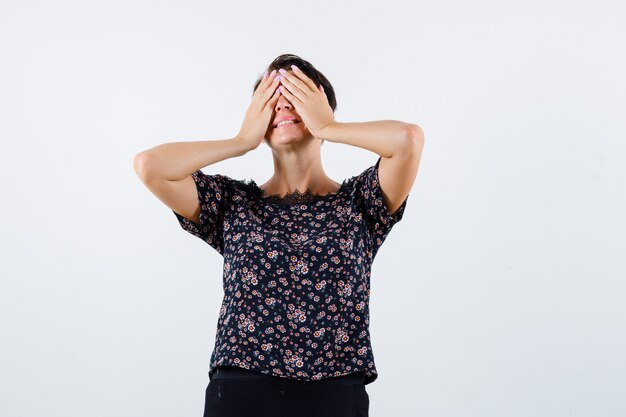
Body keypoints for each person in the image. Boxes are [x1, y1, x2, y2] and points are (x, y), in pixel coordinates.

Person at [133, 54, 425, 417]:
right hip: (241, 388)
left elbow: (408, 140)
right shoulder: (232, 203)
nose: (284, 104)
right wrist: (241, 140)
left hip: (335, 390)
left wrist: (329, 126)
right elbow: (150, 167)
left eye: (297, 95)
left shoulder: (361, 202)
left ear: (320, 106)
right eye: (273, 99)